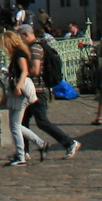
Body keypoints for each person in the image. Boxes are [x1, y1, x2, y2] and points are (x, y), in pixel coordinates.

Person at [22, 25, 81, 159]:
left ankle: (70, 143)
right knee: (22, 122)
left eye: (21, 37)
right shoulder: (36, 46)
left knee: (42, 121)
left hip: (37, 90)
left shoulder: (35, 48)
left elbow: (36, 70)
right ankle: (24, 151)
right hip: (33, 90)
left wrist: (23, 73)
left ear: (26, 35)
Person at [1, 30, 45, 167]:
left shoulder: (19, 53)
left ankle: (21, 156)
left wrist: (18, 87)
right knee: (15, 125)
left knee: (15, 126)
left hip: (23, 89)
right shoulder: (18, 52)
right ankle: (40, 143)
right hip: (20, 88)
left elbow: (24, 71)